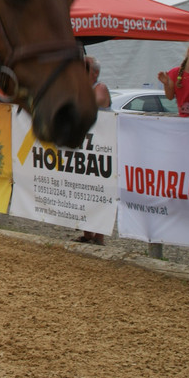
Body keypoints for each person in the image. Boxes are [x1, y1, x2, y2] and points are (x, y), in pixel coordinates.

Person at [76, 56, 110, 245]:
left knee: (99, 191)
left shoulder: (100, 87)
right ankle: (88, 233)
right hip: (86, 147)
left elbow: (94, 102)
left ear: (94, 73)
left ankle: (99, 236)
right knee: (84, 189)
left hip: (101, 148)